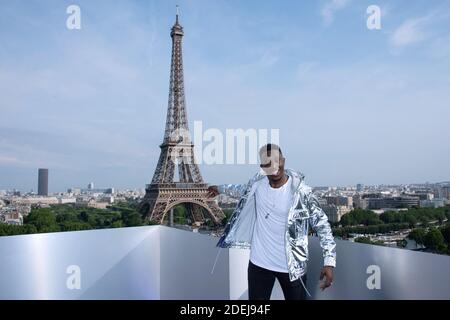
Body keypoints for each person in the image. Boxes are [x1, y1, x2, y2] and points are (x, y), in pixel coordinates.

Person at [207, 143, 336, 300]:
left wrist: (329, 262)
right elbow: (238, 189)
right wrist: (219, 188)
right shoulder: (257, 186)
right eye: (268, 163)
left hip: (292, 268)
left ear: (283, 160)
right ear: (262, 166)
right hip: (259, 263)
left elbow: (323, 226)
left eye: (277, 161)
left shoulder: (301, 192)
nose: (274, 166)